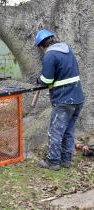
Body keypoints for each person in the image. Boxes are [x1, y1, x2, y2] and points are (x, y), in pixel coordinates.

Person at [35, 29, 84, 170]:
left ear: (42, 46)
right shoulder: (67, 50)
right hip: (77, 98)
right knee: (68, 131)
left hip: (64, 100)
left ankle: (53, 162)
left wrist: (38, 80)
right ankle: (66, 160)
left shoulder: (50, 55)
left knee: (55, 131)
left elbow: (47, 80)